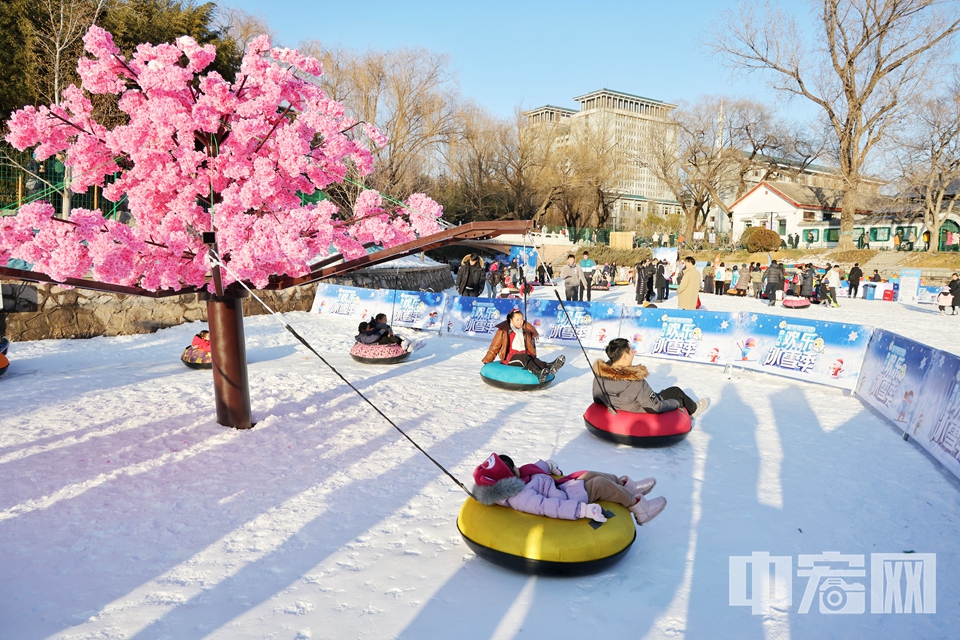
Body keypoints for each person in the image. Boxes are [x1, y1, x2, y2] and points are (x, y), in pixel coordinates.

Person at [471, 453, 667, 526]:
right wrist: (581, 510)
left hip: (562, 486)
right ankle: (640, 509)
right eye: (513, 468)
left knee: (589, 473)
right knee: (599, 484)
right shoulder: (520, 496)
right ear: (507, 477)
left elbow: (533, 469)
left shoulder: (520, 476)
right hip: (566, 497)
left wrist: (548, 465)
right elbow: (547, 506)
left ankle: (627, 488)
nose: (518, 468)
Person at [594, 337, 708, 419]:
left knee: (661, 393)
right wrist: (677, 402)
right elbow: (654, 407)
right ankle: (694, 409)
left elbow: (597, 399)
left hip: (622, 405)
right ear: (624, 356)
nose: (633, 353)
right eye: (631, 350)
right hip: (638, 409)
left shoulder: (599, 375)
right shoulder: (635, 381)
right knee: (676, 391)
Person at [481, 309, 565, 382]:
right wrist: (488, 360)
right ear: (511, 319)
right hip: (510, 357)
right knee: (525, 358)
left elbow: (530, 346)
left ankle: (549, 366)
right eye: (517, 320)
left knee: (532, 359)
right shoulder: (503, 330)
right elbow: (495, 346)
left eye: (521, 319)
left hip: (524, 354)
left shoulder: (525, 330)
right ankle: (538, 373)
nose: (520, 322)